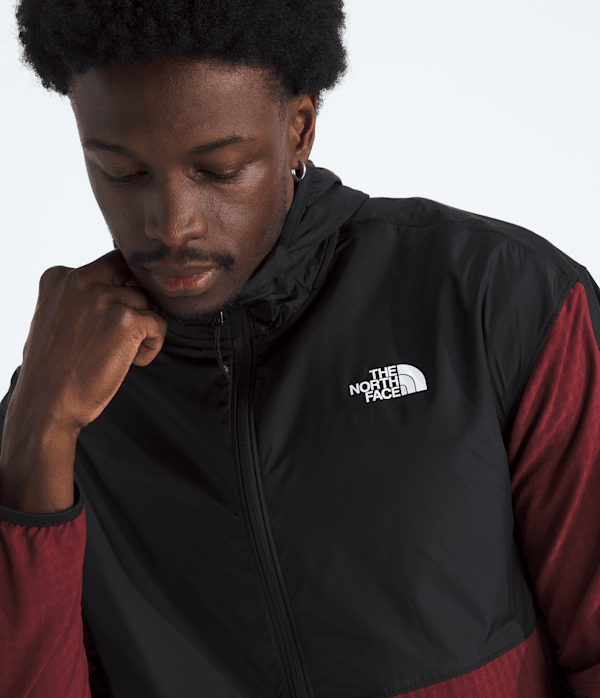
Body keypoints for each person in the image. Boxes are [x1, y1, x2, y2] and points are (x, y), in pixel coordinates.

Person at [0, 0, 598, 696]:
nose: (173, 225)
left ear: (300, 128)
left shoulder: (498, 298)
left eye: (220, 169)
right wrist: (37, 434)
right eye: (121, 172)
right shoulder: (71, 394)